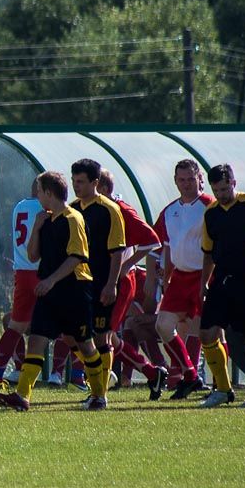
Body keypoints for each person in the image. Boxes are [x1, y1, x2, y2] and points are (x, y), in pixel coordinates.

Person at [0, 172, 106, 411]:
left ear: (48, 192)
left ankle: (99, 394)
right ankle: (22, 396)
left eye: (39, 191)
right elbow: (33, 255)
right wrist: (36, 228)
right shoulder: (46, 220)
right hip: (49, 291)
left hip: (75, 290)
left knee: (85, 344)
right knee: (36, 340)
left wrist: (51, 280)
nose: (37, 196)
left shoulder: (73, 218)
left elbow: (77, 257)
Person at [197, 164, 245, 408]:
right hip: (222, 281)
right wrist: (204, 283)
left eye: (225, 189)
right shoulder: (211, 213)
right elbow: (207, 252)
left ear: (234, 183)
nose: (221, 194)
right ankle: (223, 390)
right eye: (217, 190)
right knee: (206, 333)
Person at [97, 169, 167, 400]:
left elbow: (152, 241)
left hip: (118, 282)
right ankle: (151, 372)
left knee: (106, 335)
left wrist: (127, 265)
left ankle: (99, 392)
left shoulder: (121, 210)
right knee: (97, 334)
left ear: (103, 188)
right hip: (98, 280)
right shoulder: (92, 208)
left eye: (84, 184)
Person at [151, 159, 214, 399]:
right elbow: (165, 247)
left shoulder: (210, 206)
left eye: (190, 179)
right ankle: (190, 374)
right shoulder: (170, 211)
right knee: (163, 326)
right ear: (175, 181)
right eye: (181, 180)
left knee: (205, 331)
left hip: (203, 274)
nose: (186, 184)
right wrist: (165, 278)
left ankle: (219, 383)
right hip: (179, 276)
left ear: (200, 179)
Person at [69, 158, 126, 409]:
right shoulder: (71, 209)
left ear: (95, 182)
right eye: (73, 181)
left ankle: (99, 394)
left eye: (81, 181)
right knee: (70, 336)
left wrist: (111, 284)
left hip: (102, 282)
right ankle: (100, 380)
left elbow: (117, 251)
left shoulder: (109, 209)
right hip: (78, 285)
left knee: (102, 338)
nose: (76, 186)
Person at [0, 179, 42, 389]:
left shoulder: (20, 206)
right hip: (41, 271)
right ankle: (74, 376)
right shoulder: (44, 209)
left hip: (22, 272)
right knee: (67, 328)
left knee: (14, 326)